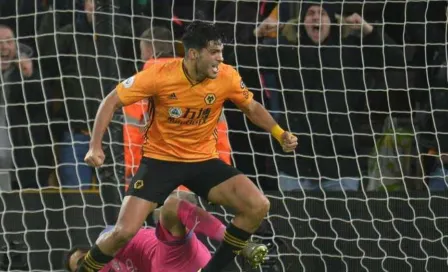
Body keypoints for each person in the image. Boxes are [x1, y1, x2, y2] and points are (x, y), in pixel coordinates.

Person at [78, 21, 298, 272]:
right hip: (160, 162)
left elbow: (251, 107)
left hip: (203, 161)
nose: (220, 58)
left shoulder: (226, 75)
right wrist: (95, 145)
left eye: (221, 51)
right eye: (214, 52)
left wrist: (279, 133)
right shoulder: (160, 75)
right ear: (193, 54)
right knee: (123, 232)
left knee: (259, 205)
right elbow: (111, 101)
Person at [66, 191, 266, 272]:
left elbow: (115, 233)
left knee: (171, 205)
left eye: (83, 262)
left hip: (173, 253)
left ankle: (240, 242)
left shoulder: (106, 241)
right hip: (162, 268)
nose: (84, 270)